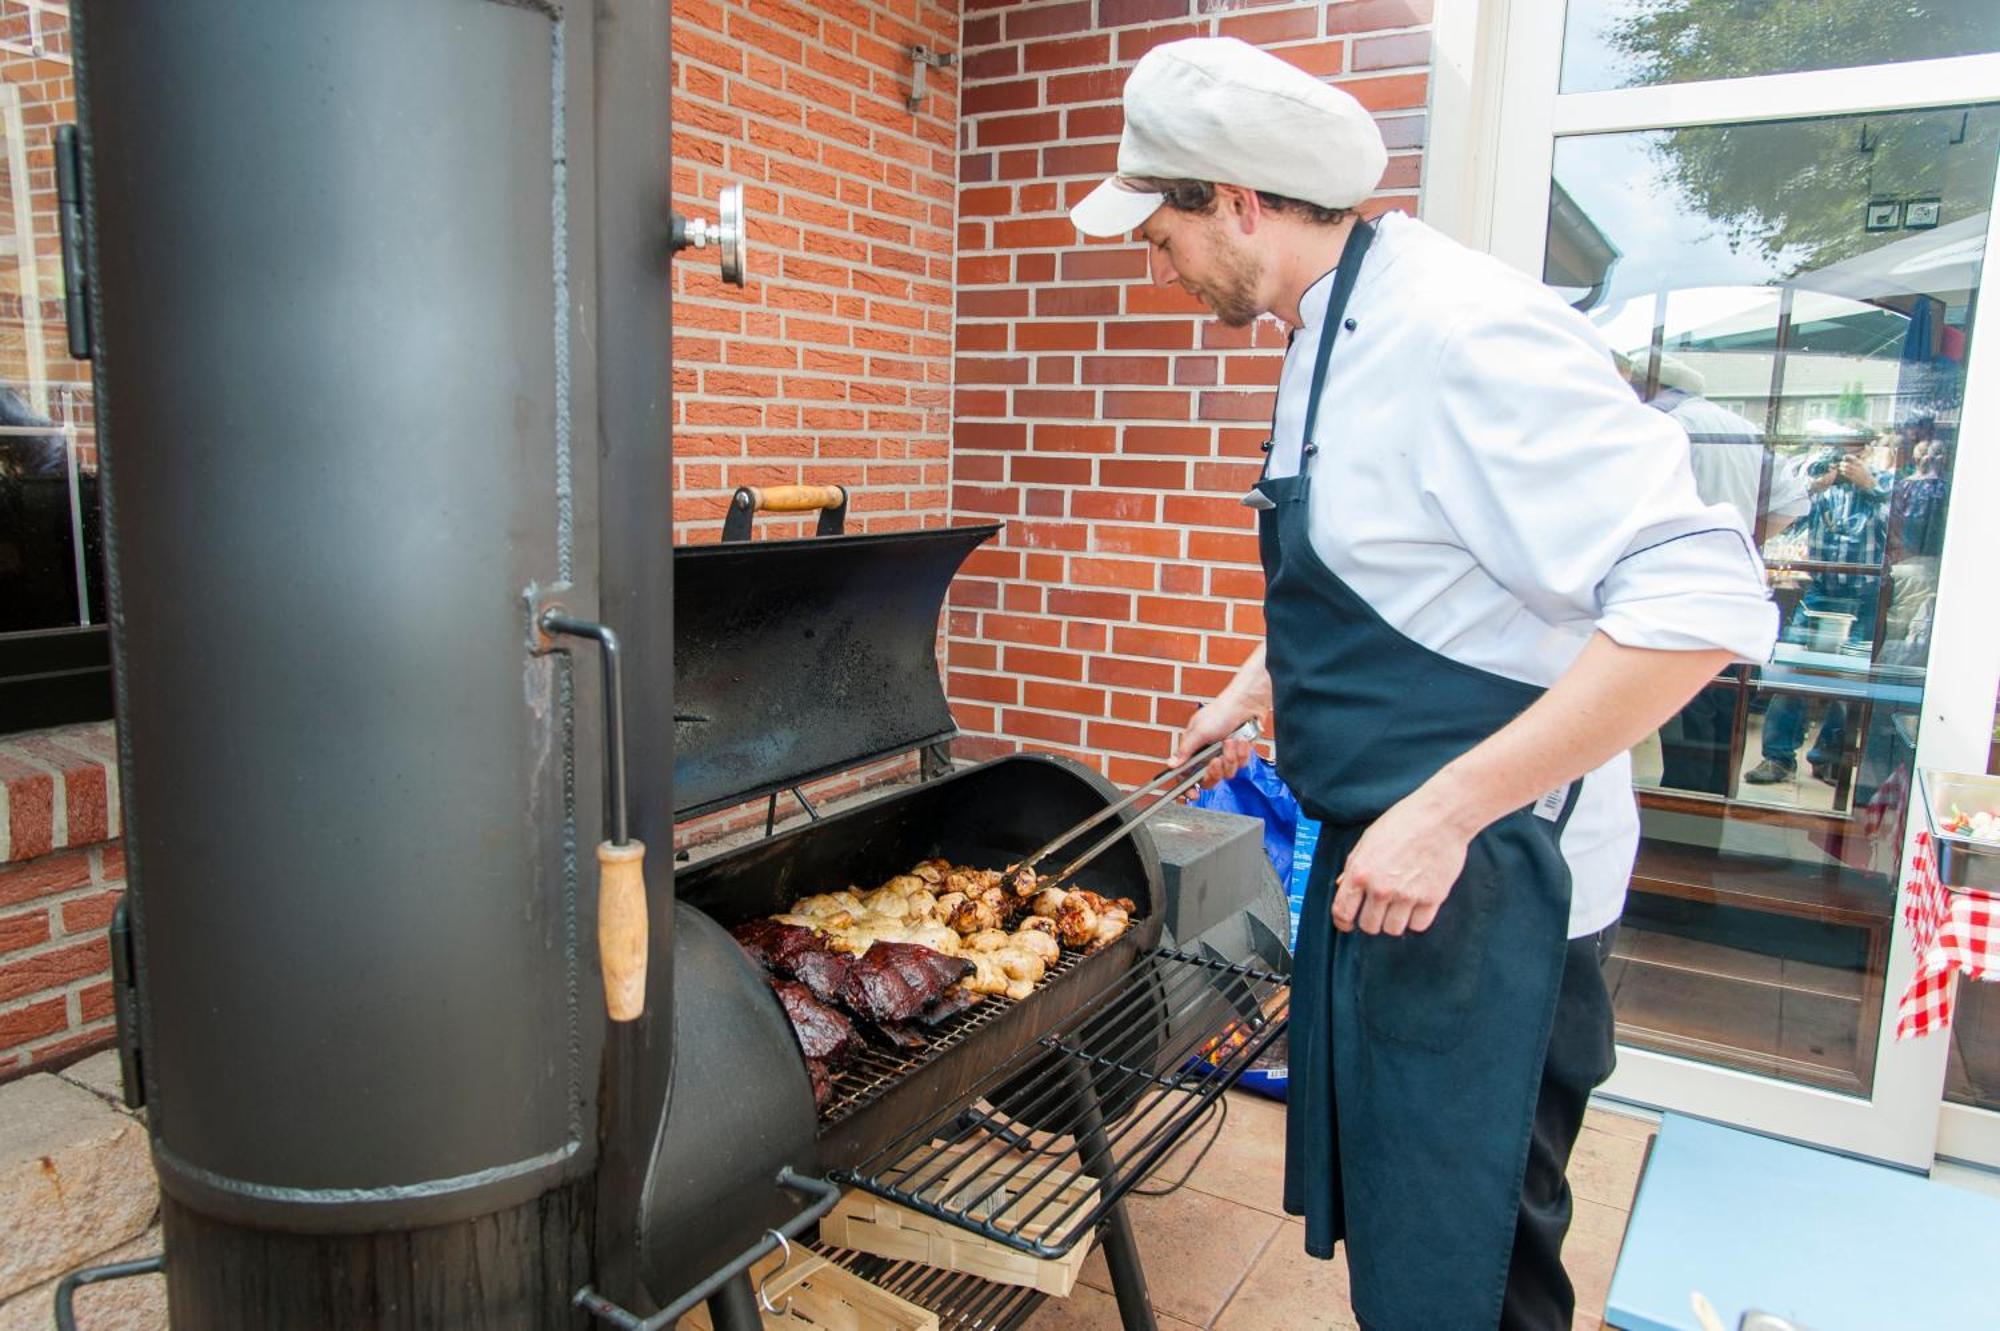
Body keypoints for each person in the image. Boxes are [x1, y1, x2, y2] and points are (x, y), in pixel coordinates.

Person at [1069, 39, 1777, 1331]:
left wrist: (1449, 809)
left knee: (1477, 1255)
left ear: (1235, 200)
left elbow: (1702, 601)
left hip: (1494, 890)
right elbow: (1392, 565)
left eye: (1158, 220)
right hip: (1393, 872)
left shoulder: (1462, 333)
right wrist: (1259, 681)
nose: (1148, 254)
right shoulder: (1325, 331)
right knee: (1406, 1227)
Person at [1744, 434, 1890, 786]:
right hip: (1821, 593)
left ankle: (1828, 757)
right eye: (1840, 449)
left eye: (1854, 450)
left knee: (1849, 681)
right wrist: (1815, 485)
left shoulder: (1884, 486)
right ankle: (1778, 758)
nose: (1845, 459)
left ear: (1869, 451)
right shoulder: (1821, 484)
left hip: (1866, 597)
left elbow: (1902, 532)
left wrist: (1870, 487)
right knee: (1790, 674)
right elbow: (1786, 523)